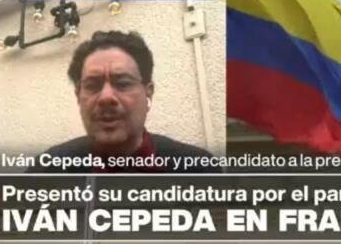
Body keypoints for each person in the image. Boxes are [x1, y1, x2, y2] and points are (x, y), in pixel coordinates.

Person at [27, 30, 221, 173]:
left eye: (123, 83)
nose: (106, 98)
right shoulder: (46, 170)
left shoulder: (199, 168)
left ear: (148, 92)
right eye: (93, 85)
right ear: (79, 95)